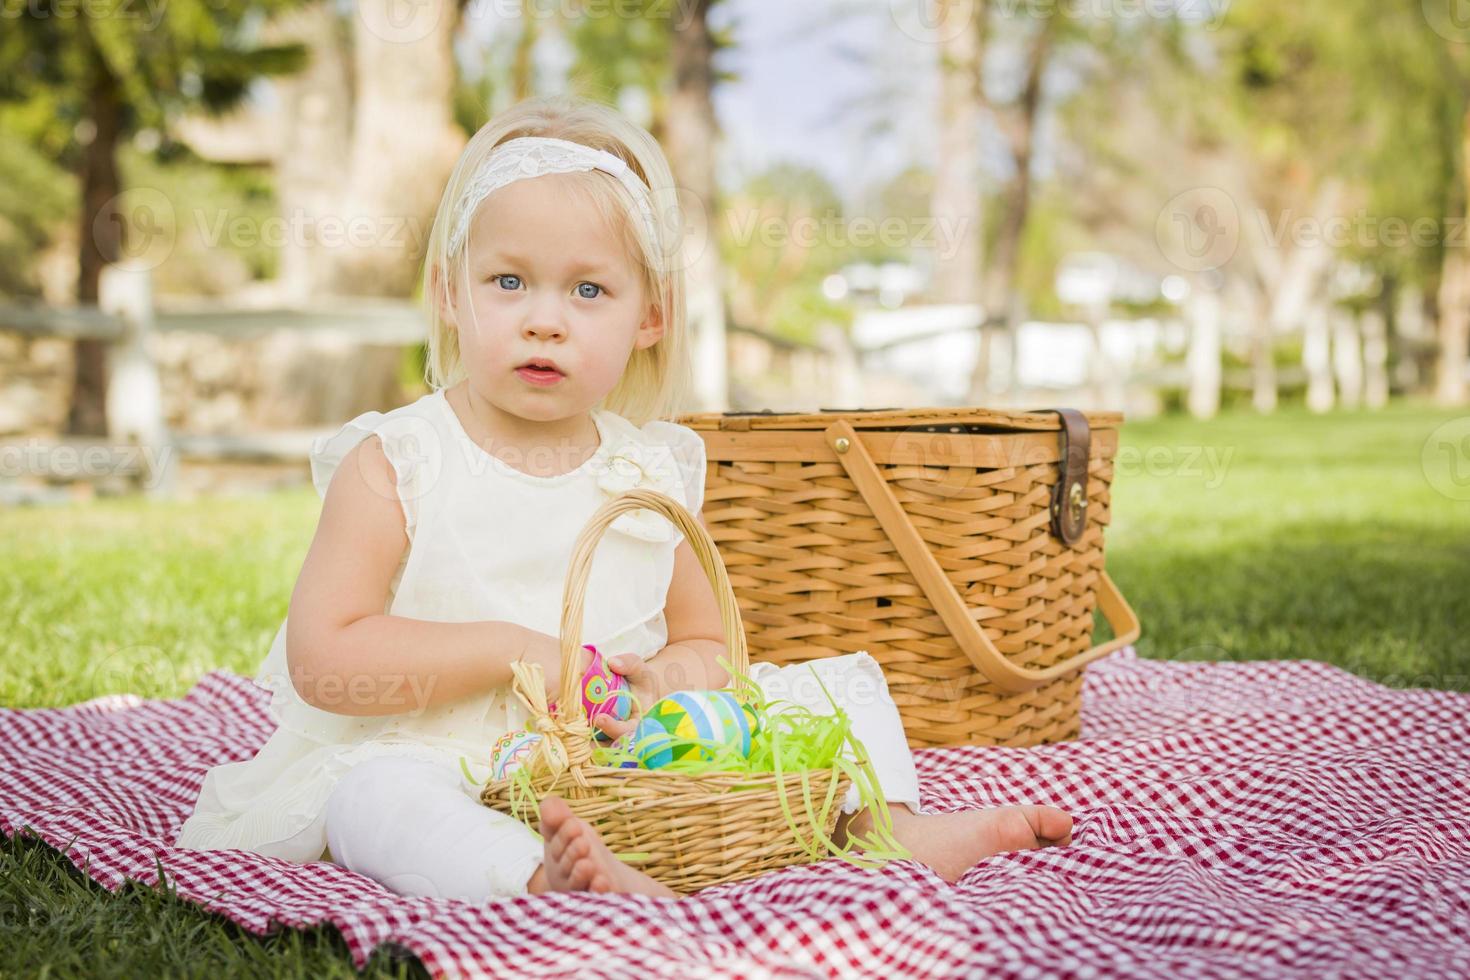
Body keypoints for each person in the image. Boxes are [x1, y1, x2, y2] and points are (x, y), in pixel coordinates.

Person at [175, 94, 1072, 900]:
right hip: (442, 751)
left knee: (824, 689)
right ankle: (538, 876)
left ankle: (881, 826)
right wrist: (513, 652)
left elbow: (709, 643)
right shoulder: (400, 458)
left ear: (649, 316)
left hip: (628, 759)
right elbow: (325, 660)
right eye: (509, 281)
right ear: (451, 294)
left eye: (589, 289)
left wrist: (663, 681)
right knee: (371, 801)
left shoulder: (646, 471)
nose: (545, 317)